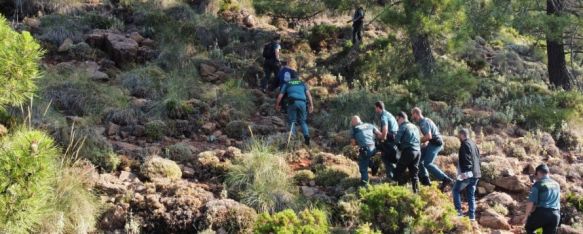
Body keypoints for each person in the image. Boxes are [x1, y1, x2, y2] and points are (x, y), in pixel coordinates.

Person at [411, 107, 453, 191]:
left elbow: (429, 136)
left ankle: (446, 179)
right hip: (432, 143)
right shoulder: (426, 120)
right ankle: (426, 180)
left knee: (428, 163)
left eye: (412, 115)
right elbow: (429, 136)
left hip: (436, 144)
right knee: (419, 160)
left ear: (416, 113)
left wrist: (418, 141)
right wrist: (424, 144)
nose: (412, 117)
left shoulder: (423, 123)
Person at [275, 75, 314, 146]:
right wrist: (311, 105)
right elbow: (309, 95)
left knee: (292, 121)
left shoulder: (287, 83)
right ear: (297, 77)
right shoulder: (302, 83)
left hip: (292, 102)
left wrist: (277, 105)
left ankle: (292, 138)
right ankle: (306, 136)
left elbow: (280, 95)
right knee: (303, 121)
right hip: (302, 102)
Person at [452, 128, 481, 221]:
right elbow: (478, 159)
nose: (458, 138)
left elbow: (466, 160)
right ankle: (472, 217)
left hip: (468, 174)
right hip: (476, 174)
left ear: (462, 135)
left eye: (459, 136)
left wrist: (466, 173)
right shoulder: (473, 144)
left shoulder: (464, 145)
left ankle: (458, 212)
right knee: (470, 195)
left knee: (455, 190)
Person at [523, 164, 561, 234]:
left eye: (536, 175)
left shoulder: (538, 185)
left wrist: (526, 216)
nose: (536, 177)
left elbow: (531, 202)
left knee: (529, 227)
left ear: (538, 173)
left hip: (543, 213)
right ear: (548, 173)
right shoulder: (557, 184)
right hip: (556, 215)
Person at [394, 112, 421, 193]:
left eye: (397, 119)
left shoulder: (403, 126)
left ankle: (398, 192)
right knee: (414, 174)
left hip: (409, 151)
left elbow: (396, 140)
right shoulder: (415, 126)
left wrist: (399, 147)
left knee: (398, 171)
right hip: (418, 152)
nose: (397, 121)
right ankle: (416, 193)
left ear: (401, 118)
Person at [350, 116, 382, 185]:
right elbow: (379, 134)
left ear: (354, 122)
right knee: (365, 157)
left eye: (352, 122)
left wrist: (358, 143)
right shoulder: (370, 125)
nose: (351, 124)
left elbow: (353, 143)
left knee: (363, 168)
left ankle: (365, 185)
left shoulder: (354, 129)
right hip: (374, 148)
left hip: (365, 149)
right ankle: (373, 166)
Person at [374, 101, 399, 181]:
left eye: (375, 108)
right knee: (392, 158)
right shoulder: (389, 114)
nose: (375, 110)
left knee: (385, 156)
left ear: (378, 107)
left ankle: (391, 178)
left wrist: (381, 137)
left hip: (390, 139)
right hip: (395, 138)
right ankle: (394, 176)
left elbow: (385, 129)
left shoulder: (383, 116)